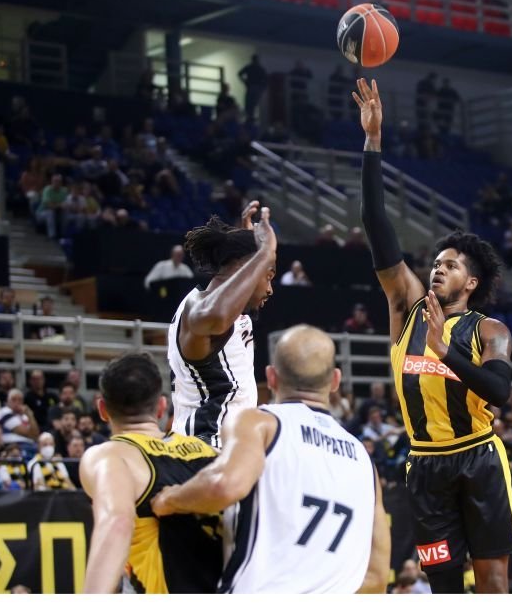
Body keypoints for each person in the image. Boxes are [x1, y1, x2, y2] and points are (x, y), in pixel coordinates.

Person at [354, 78, 512, 593]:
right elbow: (375, 223)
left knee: (492, 582)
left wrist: (446, 353)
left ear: (471, 283)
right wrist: (373, 141)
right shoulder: (407, 308)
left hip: (479, 457)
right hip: (425, 464)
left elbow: (499, 391)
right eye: (437, 263)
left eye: (452, 265)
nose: (439, 269)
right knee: (442, 584)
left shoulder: (490, 329)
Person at [152, 325, 389, 593]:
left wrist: (169, 499)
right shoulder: (363, 458)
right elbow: (378, 577)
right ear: (335, 381)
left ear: (271, 377)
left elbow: (223, 485)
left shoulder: (260, 423)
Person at [78, 353, 224, 593]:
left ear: (102, 409)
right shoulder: (212, 453)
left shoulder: (111, 456)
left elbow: (117, 523)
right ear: (161, 407)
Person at [167, 202, 276, 448]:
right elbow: (216, 317)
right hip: (204, 451)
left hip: (225, 448)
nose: (270, 289)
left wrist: (247, 240)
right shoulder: (198, 308)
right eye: (268, 276)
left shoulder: (235, 312)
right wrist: (263, 254)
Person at [238, 54, 268, 123]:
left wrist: (245, 82)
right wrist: (262, 88)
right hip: (255, 88)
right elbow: (266, 80)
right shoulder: (259, 68)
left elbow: (239, 74)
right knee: (252, 104)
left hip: (252, 88)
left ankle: (250, 118)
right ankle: (250, 118)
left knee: (250, 104)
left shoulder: (252, 67)